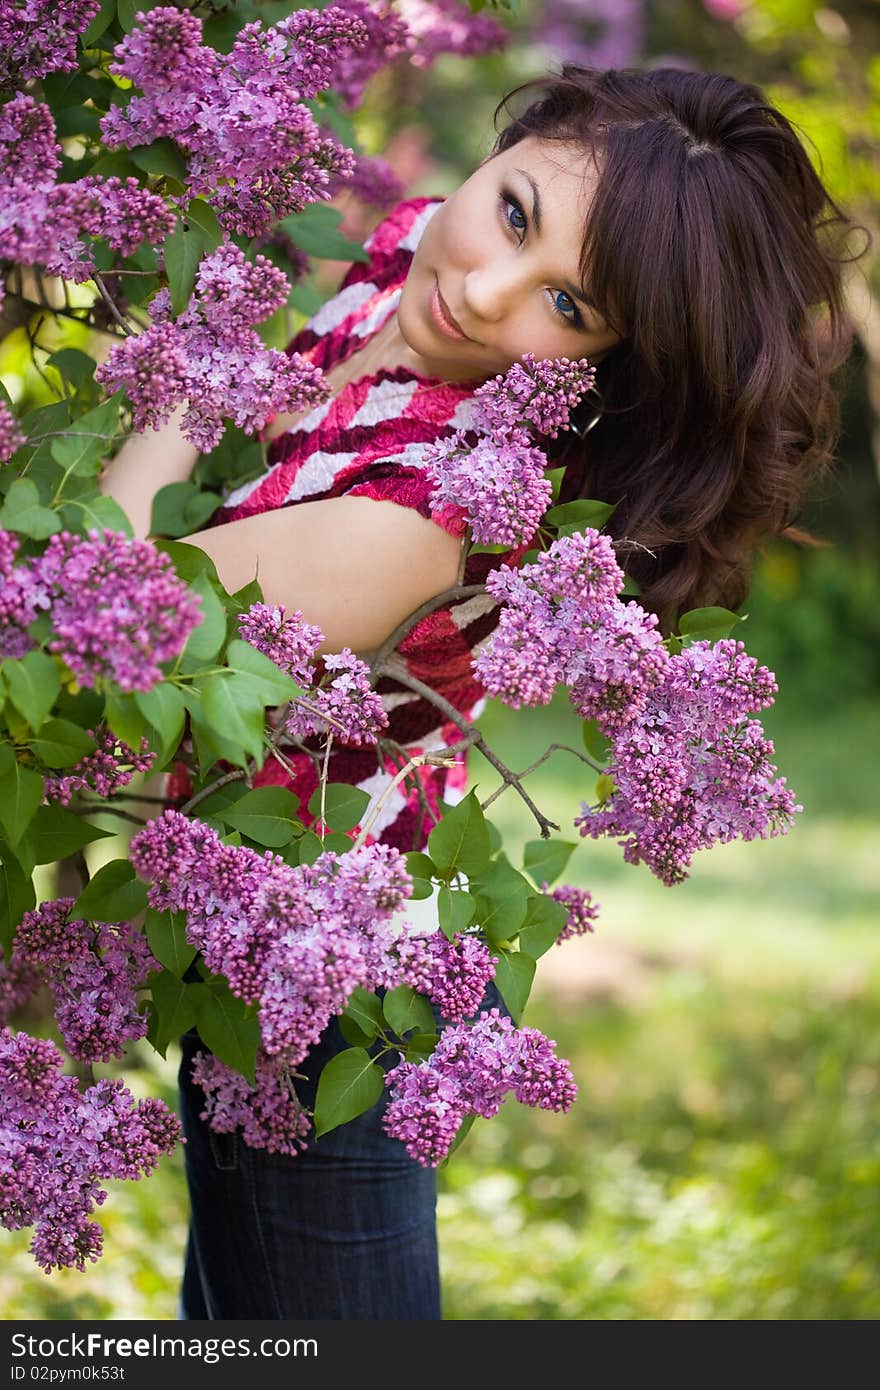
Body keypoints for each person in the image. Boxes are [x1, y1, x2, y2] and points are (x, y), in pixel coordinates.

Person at [98, 65, 862, 1319]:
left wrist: (192, 368)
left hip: (332, 982)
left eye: (568, 303)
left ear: (608, 357)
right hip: (221, 907)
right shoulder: (411, 264)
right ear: (509, 146)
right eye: (513, 213)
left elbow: (110, 625)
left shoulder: (427, 518)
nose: (484, 293)